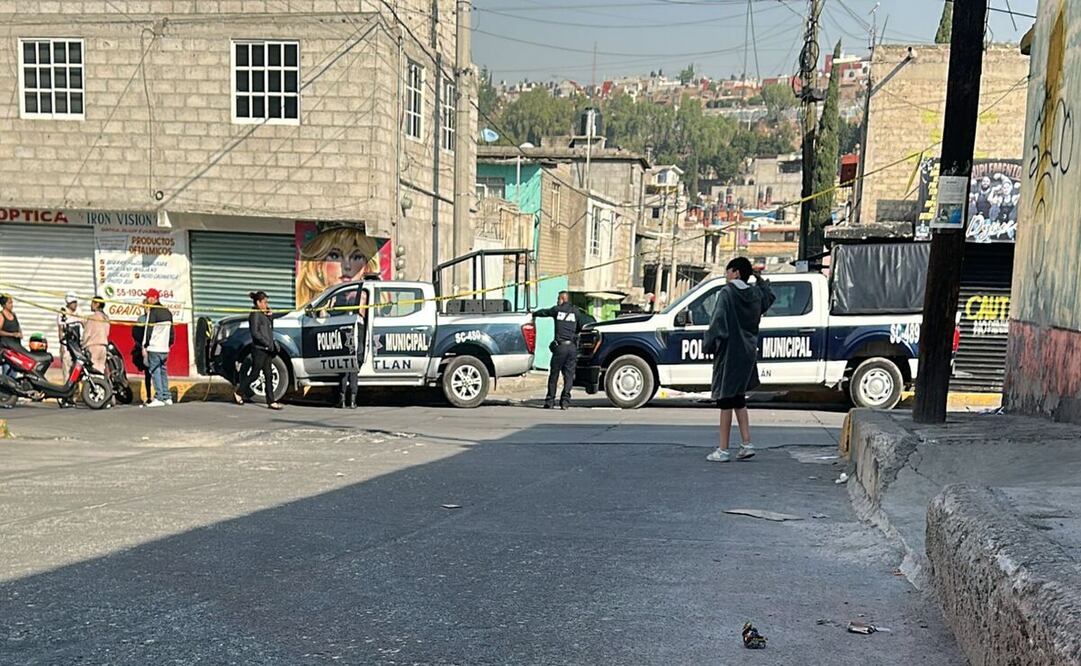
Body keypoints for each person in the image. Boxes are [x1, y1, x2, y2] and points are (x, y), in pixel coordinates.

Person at [703, 257, 775, 463]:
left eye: (728, 272)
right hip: (748, 351)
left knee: (725, 401)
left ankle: (723, 449)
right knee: (739, 399)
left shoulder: (727, 293)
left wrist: (708, 343)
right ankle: (746, 443)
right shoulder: (754, 294)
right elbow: (769, 297)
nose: (726, 276)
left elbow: (718, 322)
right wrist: (759, 279)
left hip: (729, 351)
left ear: (735, 272)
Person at [296, 225, 382, 307]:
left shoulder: (373, 306)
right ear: (319, 265)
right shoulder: (307, 312)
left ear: (366, 267)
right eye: (335, 256)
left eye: (357, 257)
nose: (347, 266)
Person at [532, 291, 584, 410]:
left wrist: (533, 314)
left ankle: (550, 401)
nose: (557, 301)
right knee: (569, 376)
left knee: (554, 375)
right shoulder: (576, 311)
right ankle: (565, 402)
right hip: (571, 348)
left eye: (558, 299)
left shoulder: (556, 310)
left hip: (560, 347)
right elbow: (581, 326)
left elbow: (544, 312)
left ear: (562, 299)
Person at [237, 291, 284, 410]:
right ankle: (239, 392)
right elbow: (255, 333)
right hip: (259, 349)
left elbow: (269, 329)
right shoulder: (254, 314)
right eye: (264, 302)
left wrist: (269, 316)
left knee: (268, 375)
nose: (266, 304)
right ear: (258, 302)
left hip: (267, 349)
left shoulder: (263, 314)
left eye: (266, 302)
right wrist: (265, 342)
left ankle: (271, 401)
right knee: (255, 374)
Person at [141, 288, 174, 408]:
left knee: (155, 372)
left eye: (148, 297)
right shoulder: (168, 312)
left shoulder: (153, 312)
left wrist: (145, 345)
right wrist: (169, 343)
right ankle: (167, 396)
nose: (147, 299)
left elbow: (148, 330)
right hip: (165, 348)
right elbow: (172, 332)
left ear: (154, 298)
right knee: (163, 372)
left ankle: (159, 397)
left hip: (154, 347)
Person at [338, 289, 370, 409]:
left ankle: (342, 400)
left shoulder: (343, 319)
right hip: (356, 350)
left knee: (344, 373)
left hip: (346, 351)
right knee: (353, 373)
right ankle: (352, 401)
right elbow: (361, 346)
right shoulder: (360, 321)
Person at [57, 292, 84, 383]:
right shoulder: (63, 312)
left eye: (76, 302)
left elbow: (84, 324)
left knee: (78, 368)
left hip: (77, 344)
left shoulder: (79, 311)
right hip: (67, 345)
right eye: (73, 302)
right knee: (67, 368)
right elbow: (60, 329)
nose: (75, 304)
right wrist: (62, 346)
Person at [131, 297, 153, 405]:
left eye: (147, 306)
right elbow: (137, 334)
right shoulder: (141, 319)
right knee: (147, 373)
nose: (146, 308)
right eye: (144, 306)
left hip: (154, 348)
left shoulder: (155, 319)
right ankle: (149, 396)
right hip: (144, 349)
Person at [82, 297, 110, 375]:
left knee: (93, 371)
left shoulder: (92, 318)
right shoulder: (106, 318)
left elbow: (87, 334)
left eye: (92, 303)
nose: (90, 305)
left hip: (93, 346)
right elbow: (107, 333)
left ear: (97, 304)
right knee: (100, 371)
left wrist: (82, 345)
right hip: (103, 347)